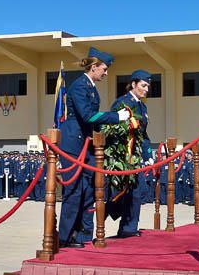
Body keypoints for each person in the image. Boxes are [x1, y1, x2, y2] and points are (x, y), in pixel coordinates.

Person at [58, 47, 129, 247]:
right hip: (74, 142)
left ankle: (82, 235)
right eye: (104, 69)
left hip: (87, 143)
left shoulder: (90, 87)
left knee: (91, 189)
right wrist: (116, 117)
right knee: (74, 191)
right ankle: (64, 237)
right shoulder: (80, 86)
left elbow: (93, 119)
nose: (106, 74)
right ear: (94, 67)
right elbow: (88, 116)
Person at [107, 69, 154, 238]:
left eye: (148, 86)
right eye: (143, 85)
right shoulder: (121, 103)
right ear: (133, 84)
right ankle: (122, 222)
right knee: (133, 191)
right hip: (121, 155)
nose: (146, 89)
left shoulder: (142, 106)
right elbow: (112, 128)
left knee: (138, 191)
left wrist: (148, 155)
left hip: (135, 155)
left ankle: (127, 226)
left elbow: (144, 134)